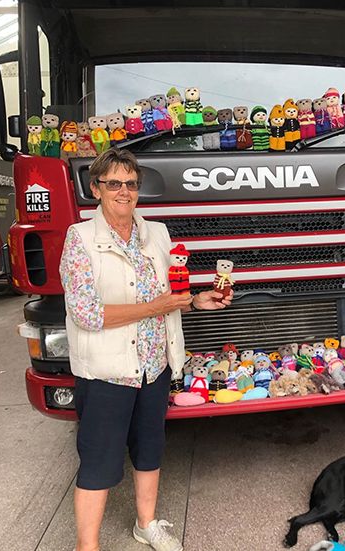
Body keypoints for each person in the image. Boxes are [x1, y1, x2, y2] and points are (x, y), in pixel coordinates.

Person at [60, 148, 231, 551]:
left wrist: (198, 300)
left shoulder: (158, 233)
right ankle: (88, 546)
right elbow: (86, 311)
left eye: (131, 184)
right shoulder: (80, 238)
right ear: (95, 188)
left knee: (149, 450)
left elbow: (172, 294)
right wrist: (158, 306)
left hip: (155, 366)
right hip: (107, 370)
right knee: (99, 461)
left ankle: (147, 524)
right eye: (114, 183)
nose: (124, 192)